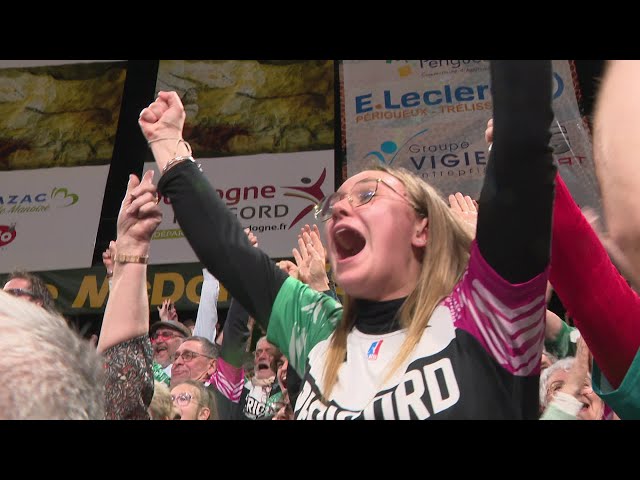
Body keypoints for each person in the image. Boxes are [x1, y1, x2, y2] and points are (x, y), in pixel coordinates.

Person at [139, 61, 556, 419]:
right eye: (335, 202)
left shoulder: (483, 314)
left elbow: (521, 147)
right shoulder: (318, 329)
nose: (339, 208)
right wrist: (169, 144)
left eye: (368, 194)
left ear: (422, 228)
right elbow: (229, 253)